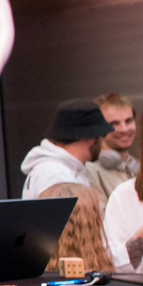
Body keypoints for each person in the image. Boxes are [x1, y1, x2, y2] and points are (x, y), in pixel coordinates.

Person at [20, 99, 113, 273]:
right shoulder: (57, 175)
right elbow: (70, 239)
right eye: (101, 136)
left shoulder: (55, 170)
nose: (102, 142)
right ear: (90, 138)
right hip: (66, 273)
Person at [84, 93, 139, 208]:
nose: (124, 129)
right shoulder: (89, 171)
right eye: (114, 123)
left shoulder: (136, 167)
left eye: (128, 121)